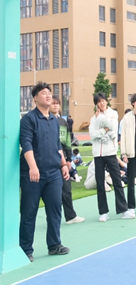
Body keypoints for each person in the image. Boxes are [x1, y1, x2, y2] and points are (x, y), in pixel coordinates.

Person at [19, 83, 72, 262]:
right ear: (35, 98)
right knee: (29, 212)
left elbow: (58, 145)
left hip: (53, 174)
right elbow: (26, 143)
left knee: (55, 210)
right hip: (33, 175)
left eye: (49, 93)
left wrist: (63, 165)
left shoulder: (54, 120)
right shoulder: (29, 119)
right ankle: (25, 249)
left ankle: (54, 245)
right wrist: (33, 167)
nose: (48, 96)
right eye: (43, 93)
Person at [89, 93, 129, 222]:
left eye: (103, 100)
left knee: (117, 180)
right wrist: (103, 130)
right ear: (96, 104)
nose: (102, 103)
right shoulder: (93, 118)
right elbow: (92, 135)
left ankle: (123, 209)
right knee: (100, 183)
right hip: (98, 154)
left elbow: (112, 128)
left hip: (110, 152)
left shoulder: (113, 114)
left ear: (107, 101)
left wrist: (101, 124)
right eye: (99, 101)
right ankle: (103, 212)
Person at [50, 96, 85, 225]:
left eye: (57, 103)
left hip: (63, 161)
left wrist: (69, 159)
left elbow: (67, 142)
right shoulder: (46, 120)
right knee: (51, 192)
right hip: (50, 160)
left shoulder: (63, 122)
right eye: (53, 103)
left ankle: (70, 216)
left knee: (66, 189)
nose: (55, 105)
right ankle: (53, 218)